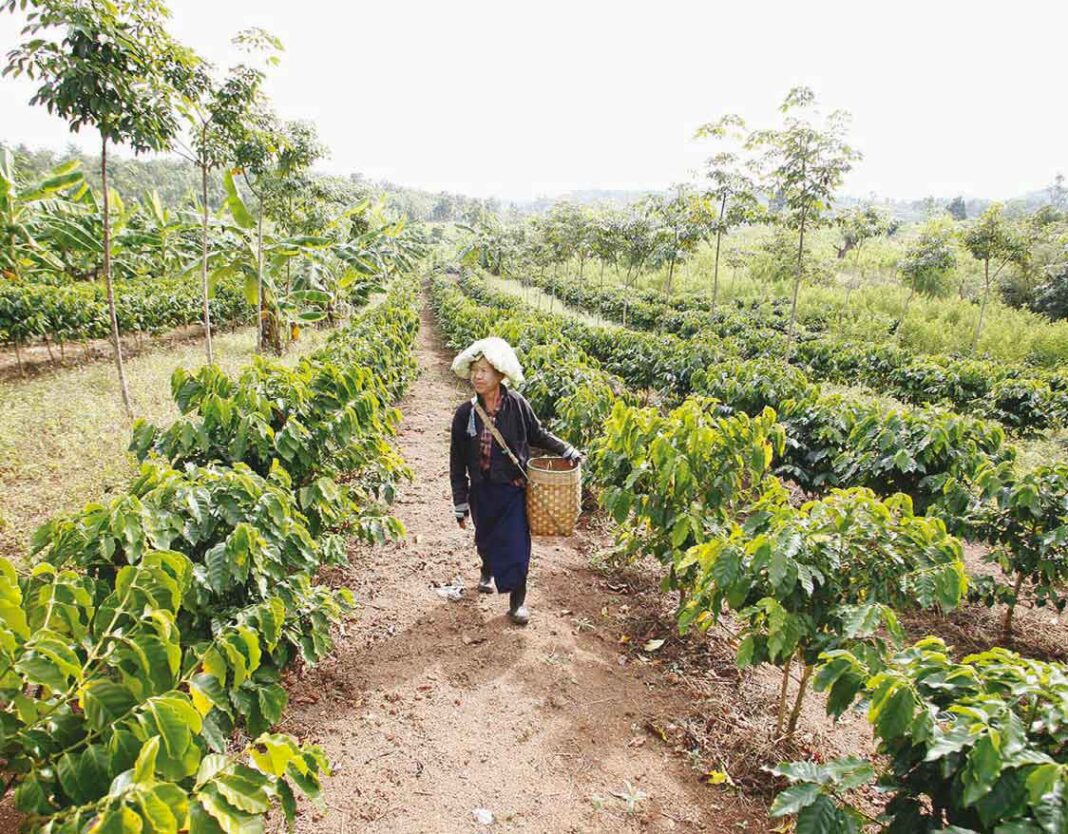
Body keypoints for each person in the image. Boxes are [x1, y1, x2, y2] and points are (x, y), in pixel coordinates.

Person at [449, 337, 582, 625]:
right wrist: (460, 501)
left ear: (500, 375)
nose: (478, 376)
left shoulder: (517, 405)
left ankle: (517, 602)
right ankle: (487, 568)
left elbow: (538, 434)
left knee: (517, 546)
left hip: (512, 490)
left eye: (484, 371)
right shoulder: (465, 414)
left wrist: (565, 449)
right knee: (485, 538)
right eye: (475, 370)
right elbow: (457, 462)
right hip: (481, 491)